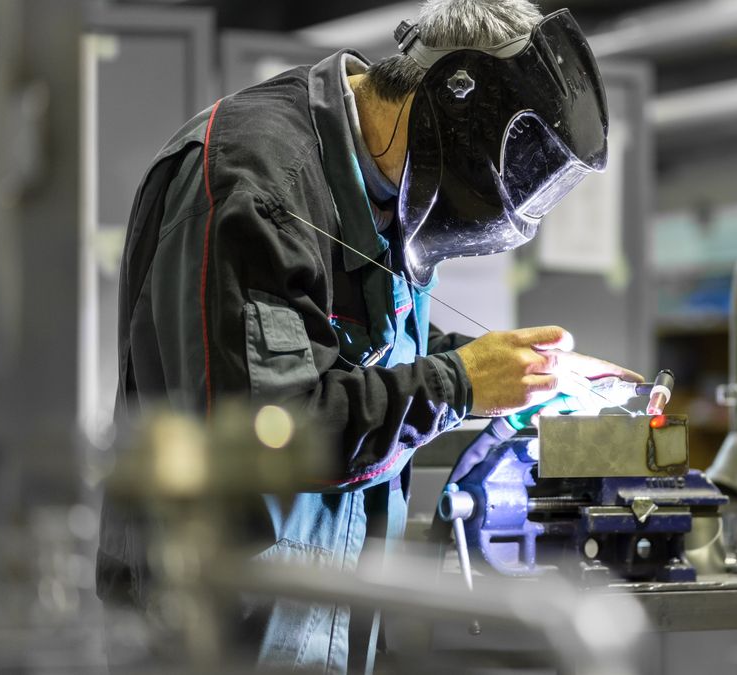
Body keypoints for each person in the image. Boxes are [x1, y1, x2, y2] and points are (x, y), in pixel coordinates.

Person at [96, 0, 637, 671]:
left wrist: (504, 368)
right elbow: (273, 432)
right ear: (458, 106)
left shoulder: (387, 186)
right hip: (218, 635)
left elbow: (352, 349)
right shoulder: (260, 178)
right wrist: (462, 382)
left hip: (323, 626)